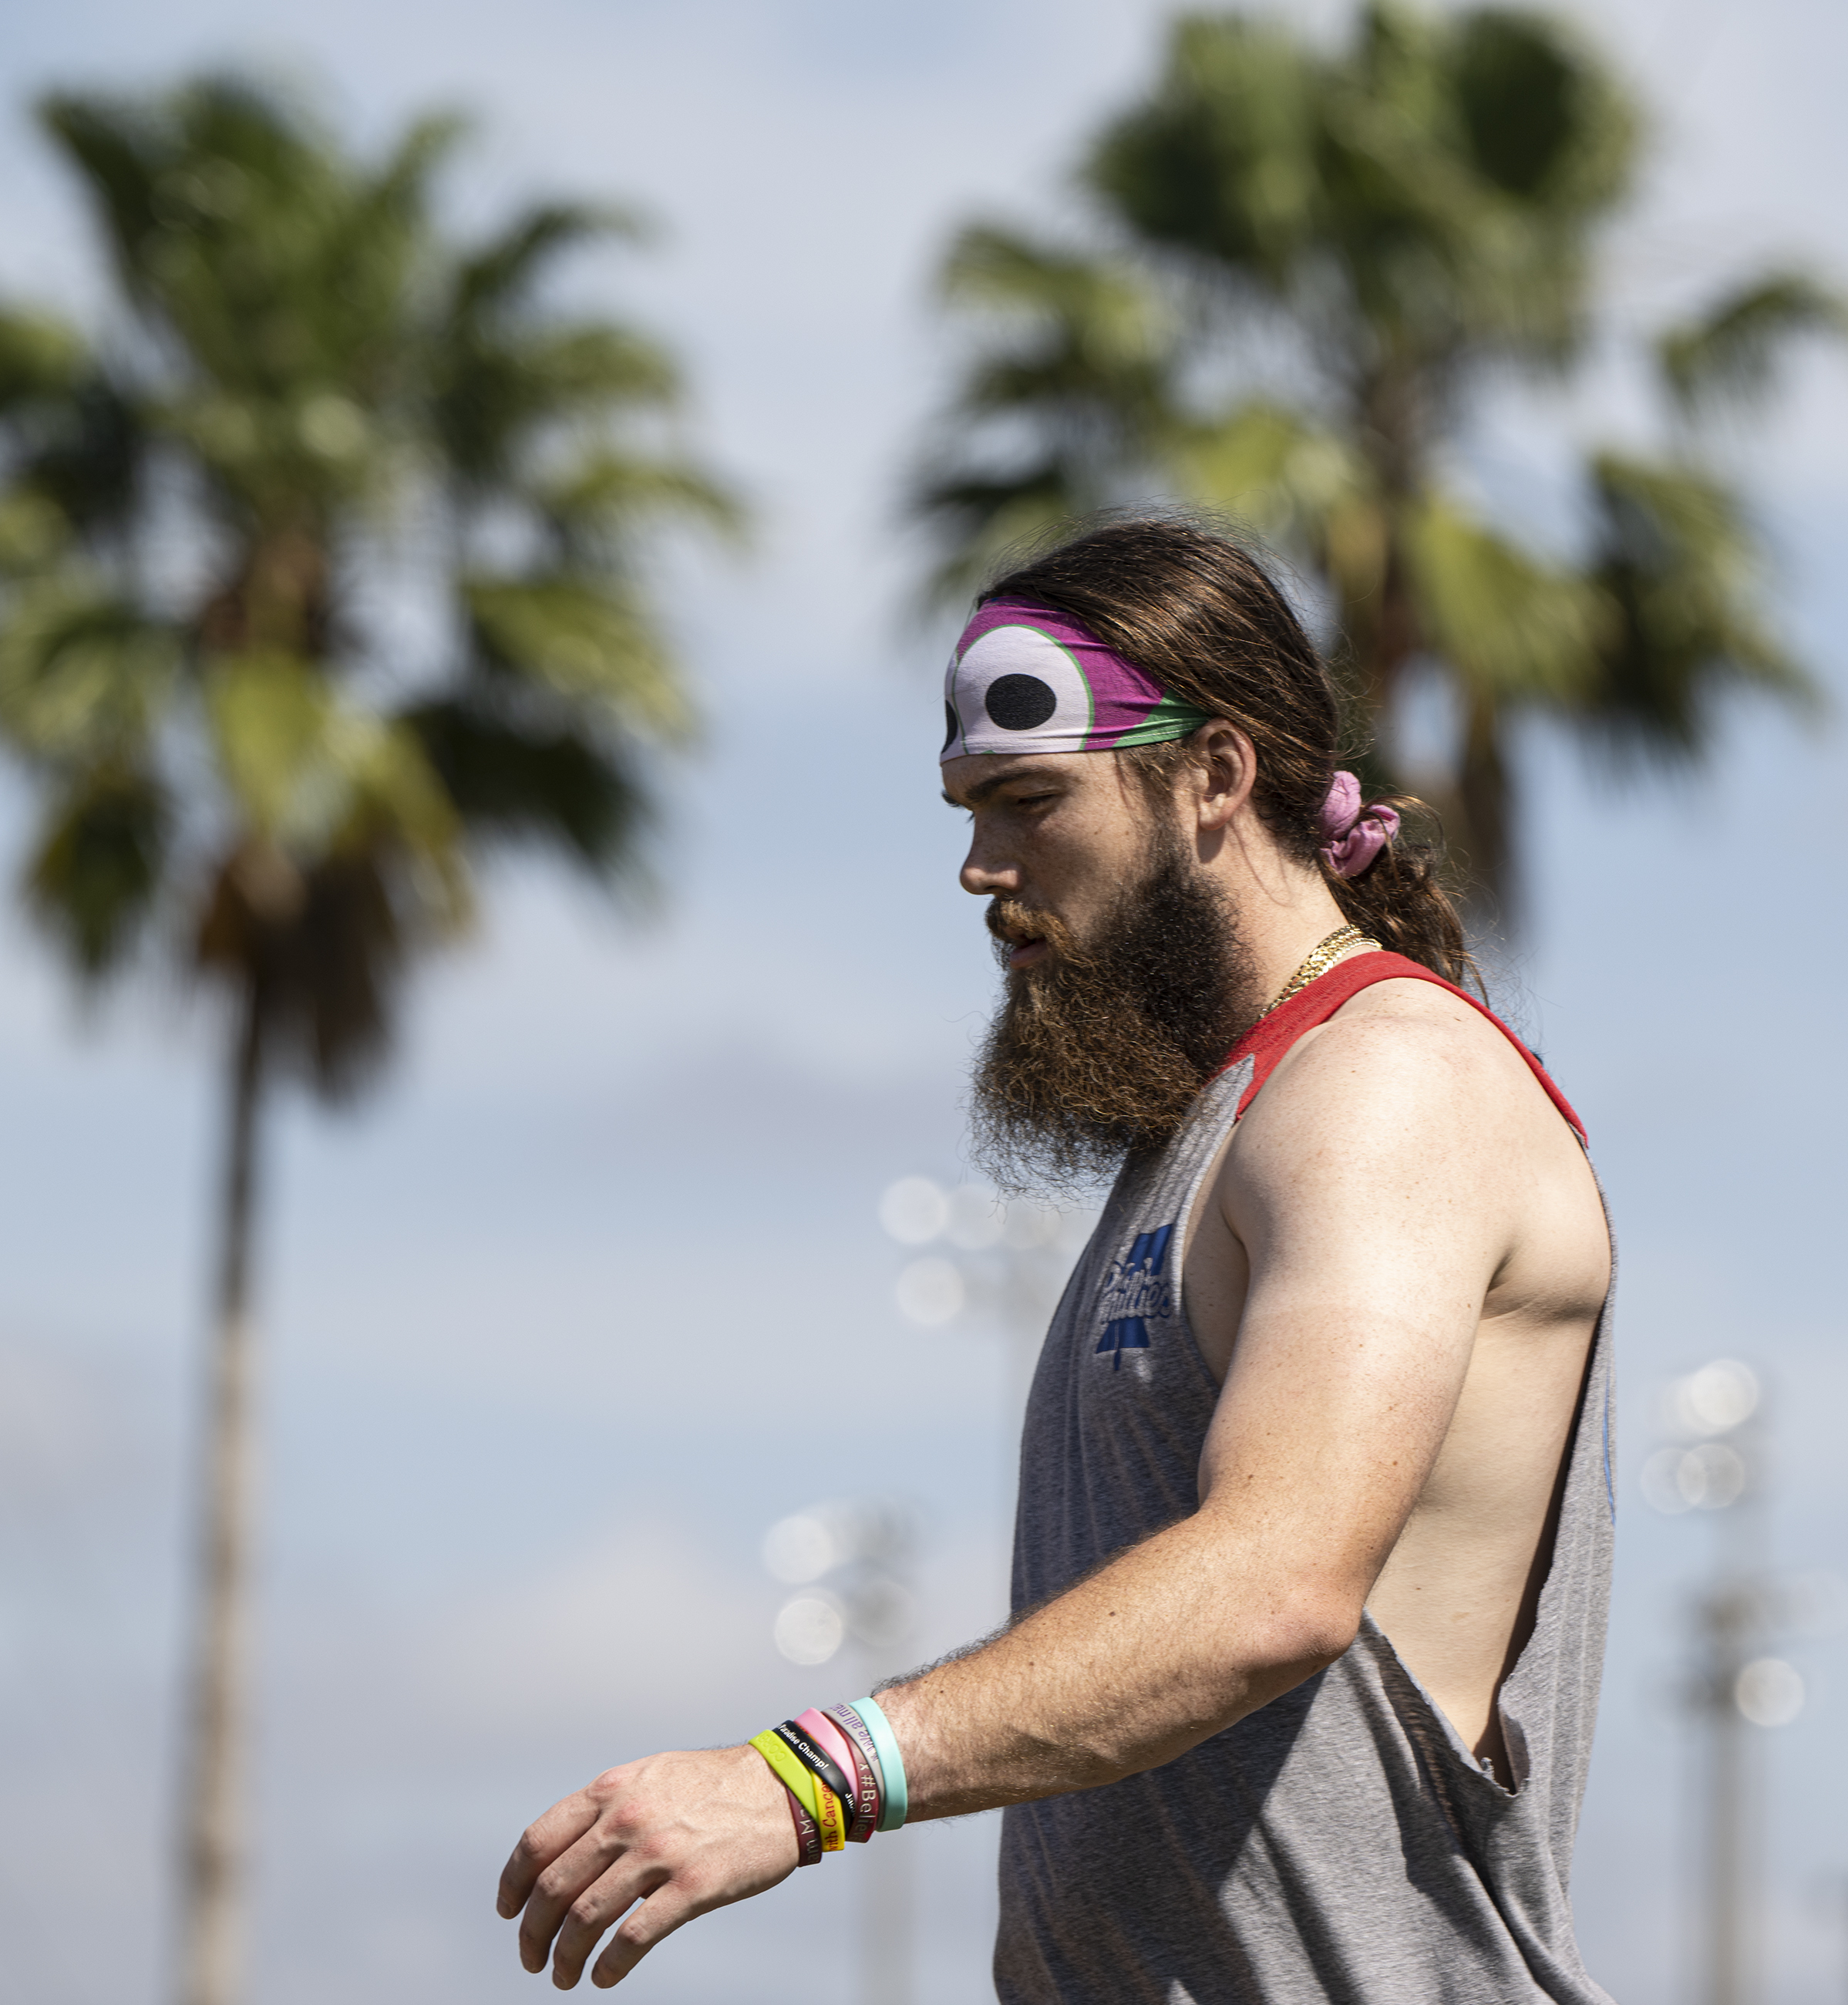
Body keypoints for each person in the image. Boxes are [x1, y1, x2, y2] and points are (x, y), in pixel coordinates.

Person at [497, 517, 1619, 2002]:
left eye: (1030, 799)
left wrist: (806, 1779)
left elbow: (1274, 1585)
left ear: (1214, 777)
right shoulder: (1218, 1122)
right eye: (966, 808)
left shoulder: (1387, 1082)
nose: (979, 865)